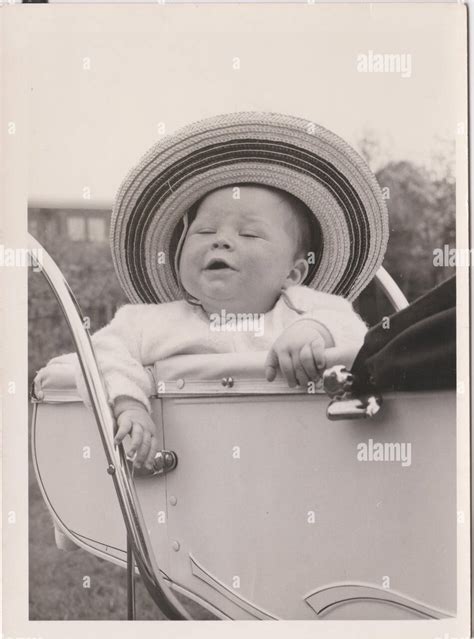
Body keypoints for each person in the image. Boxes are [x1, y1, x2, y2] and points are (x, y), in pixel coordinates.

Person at [36, 184, 368, 471]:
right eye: (204, 231)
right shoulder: (150, 321)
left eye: (249, 233)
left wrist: (314, 330)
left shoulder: (302, 308)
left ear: (293, 274)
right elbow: (100, 353)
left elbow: (357, 334)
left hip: (297, 467)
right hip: (188, 483)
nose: (220, 241)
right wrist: (130, 403)